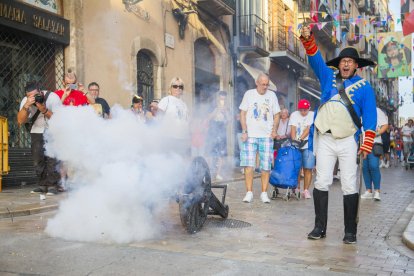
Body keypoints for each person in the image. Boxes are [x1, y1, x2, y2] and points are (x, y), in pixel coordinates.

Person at [300, 25, 377, 244]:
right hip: (325, 138)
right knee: (322, 181)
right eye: (342, 61)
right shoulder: (328, 78)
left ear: (356, 66)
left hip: (348, 141)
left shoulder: (364, 87)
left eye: (349, 62)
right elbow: (315, 59)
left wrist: (368, 140)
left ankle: (350, 231)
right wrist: (308, 39)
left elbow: (370, 116)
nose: (345, 64)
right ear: (339, 65)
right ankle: (319, 227)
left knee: (349, 185)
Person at [239, 73, 280, 203]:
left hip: (266, 136)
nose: (265, 87)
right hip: (250, 135)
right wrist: (244, 131)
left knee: (266, 166)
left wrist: (274, 130)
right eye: (263, 84)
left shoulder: (272, 95)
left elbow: (277, 114)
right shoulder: (249, 94)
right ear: (257, 83)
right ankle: (249, 192)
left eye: (267, 84)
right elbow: (243, 113)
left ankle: (264, 193)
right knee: (248, 165)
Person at [17, 81, 62, 195]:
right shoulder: (25, 101)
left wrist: (44, 110)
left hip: (53, 130)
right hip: (36, 130)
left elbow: (59, 119)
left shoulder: (52, 98)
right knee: (38, 159)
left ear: (40, 92)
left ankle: (53, 185)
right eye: (29, 96)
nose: (33, 98)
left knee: (52, 158)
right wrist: (26, 106)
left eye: (35, 95)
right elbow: (20, 121)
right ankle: (42, 185)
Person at [289, 99, 315, 199]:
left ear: (309, 108)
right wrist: (295, 141)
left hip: (309, 144)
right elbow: (293, 129)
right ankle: (296, 188)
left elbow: (308, 129)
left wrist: (300, 139)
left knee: (308, 168)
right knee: (297, 168)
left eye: (305, 110)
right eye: (301, 110)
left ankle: (306, 190)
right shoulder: (294, 115)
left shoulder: (312, 114)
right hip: (297, 144)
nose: (303, 112)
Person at [361, 107, 388, 201]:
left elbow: (385, 125)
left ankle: (377, 191)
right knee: (365, 167)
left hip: (373, 143)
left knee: (373, 166)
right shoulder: (360, 109)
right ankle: (368, 190)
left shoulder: (376, 110)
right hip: (362, 144)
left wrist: (376, 133)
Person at [158, 77, 190, 156]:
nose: (178, 88)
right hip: (169, 137)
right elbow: (158, 116)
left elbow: (186, 122)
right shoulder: (166, 100)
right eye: (175, 86)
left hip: (182, 139)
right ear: (171, 88)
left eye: (181, 87)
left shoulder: (184, 104)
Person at [206, 91, 230, 181]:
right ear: (217, 98)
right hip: (212, 131)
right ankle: (208, 173)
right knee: (210, 153)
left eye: (224, 99)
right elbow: (208, 119)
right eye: (221, 98)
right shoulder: (212, 106)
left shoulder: (227, 108)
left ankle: (218, 173)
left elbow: (228, 121)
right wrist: (217, 110)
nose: (222, 100)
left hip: (222, 132)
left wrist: (225, 112)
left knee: (221, 154)